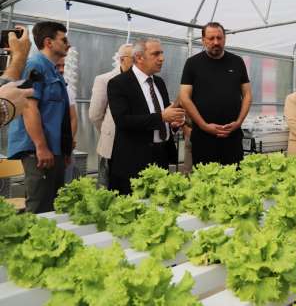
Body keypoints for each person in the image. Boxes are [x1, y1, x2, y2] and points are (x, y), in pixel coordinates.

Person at [8, 21, 72, 213]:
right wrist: (41, 146)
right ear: (49, 42)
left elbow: (59, 115)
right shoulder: (35, 65)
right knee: (39, 208)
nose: (68, 44)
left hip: (54, 149)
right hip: (39, 152)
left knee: (53, 207)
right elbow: (28, 107)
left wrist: (65, 149)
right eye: (64, 39)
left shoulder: (54, 70)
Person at [107, 39, 185, 195]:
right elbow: (123, 121)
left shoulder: (160, 83)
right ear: (139, 57)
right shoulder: (119, 83)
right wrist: (161, 117)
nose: (161, 58)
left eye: (162, 53)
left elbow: (162, 118)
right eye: (156, 54)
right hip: (133, 161)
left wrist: (173, 124)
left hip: (160, 158)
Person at [179, 22, 252, 166]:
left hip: (232, 136)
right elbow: (184, 97)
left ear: (225, 39)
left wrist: (238, 123)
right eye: (211, 38)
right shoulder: (192, 63)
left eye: (219, 38)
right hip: (203, 137)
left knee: (234, 180)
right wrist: (204, 125)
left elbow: (248, 95)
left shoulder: (237, 62)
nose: (216, 42)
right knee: (206, 181)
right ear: (203, 40)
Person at [89, 44, 133, 187]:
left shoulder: (139, 80)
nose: (138, 61)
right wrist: (108, 132)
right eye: (134, 58)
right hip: (112, 143)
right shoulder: (105, 79)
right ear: (122, 60)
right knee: (107, 183)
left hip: (133, 143)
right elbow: (95, 114)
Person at [55, 56, 78, 183]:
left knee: (65, 184)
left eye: (63, 66)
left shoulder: (67, 88)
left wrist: (69, 140)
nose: (62, 70)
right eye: (58, 66)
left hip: (64, 146)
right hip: (49, 147)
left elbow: (73, 118)